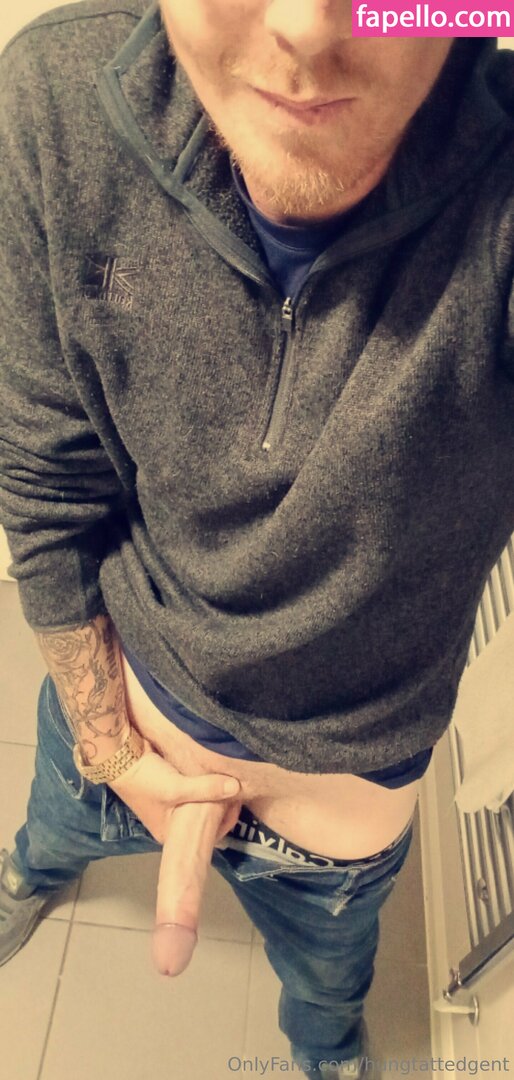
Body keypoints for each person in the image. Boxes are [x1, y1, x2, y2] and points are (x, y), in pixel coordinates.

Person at [0, 0, 513, 1076]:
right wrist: (110, 750)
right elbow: (46, 484)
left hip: (331, 840)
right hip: (114, 741)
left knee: (326, 1001)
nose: (303, 31)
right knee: (40, 841)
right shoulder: (55, 102)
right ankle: (27, 874)